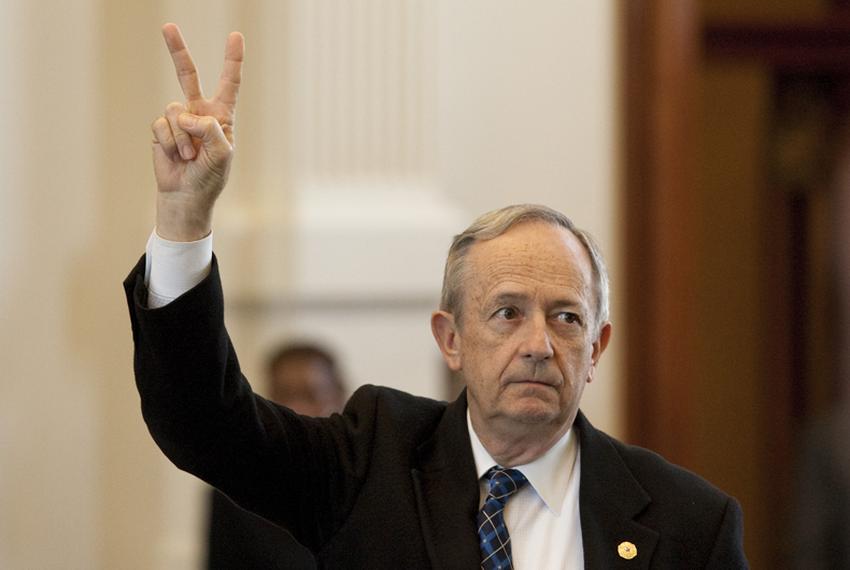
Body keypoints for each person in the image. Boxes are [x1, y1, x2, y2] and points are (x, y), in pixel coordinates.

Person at [125, 24, 748, 568]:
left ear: (597, 347)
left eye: (566, 318)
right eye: (507, 313)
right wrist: (185, 216)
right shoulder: (369, 467)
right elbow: (203, 423)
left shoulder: (688, 523)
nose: (538, 345)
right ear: (451, 339)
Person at [205, 343, 346, 570]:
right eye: (285, 395)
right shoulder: (233, 492)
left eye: (311, 395)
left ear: (339, 397)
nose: (296, 407)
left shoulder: (370, 482)